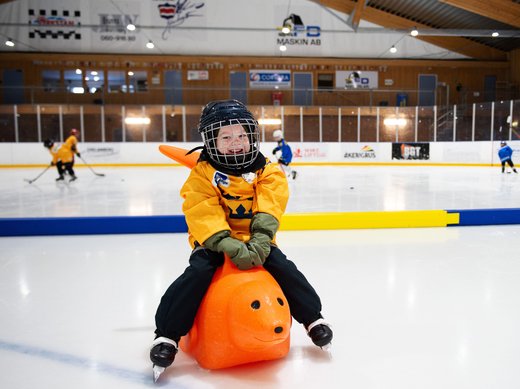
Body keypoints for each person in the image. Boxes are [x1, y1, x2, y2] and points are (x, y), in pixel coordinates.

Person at [150, 100, 332, 374]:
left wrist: (261, 239)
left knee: (284, 268)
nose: (235, 142)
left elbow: (271, 203)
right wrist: (224, 242)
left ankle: (313, 318)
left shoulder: (266, 170)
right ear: (211, 140)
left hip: (258, 238)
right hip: (214, 241)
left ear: (251, 137)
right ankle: (168, 334)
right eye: (225, 137)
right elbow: (201, 210)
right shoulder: (203, 174)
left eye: (241, 135)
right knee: (198, 273)